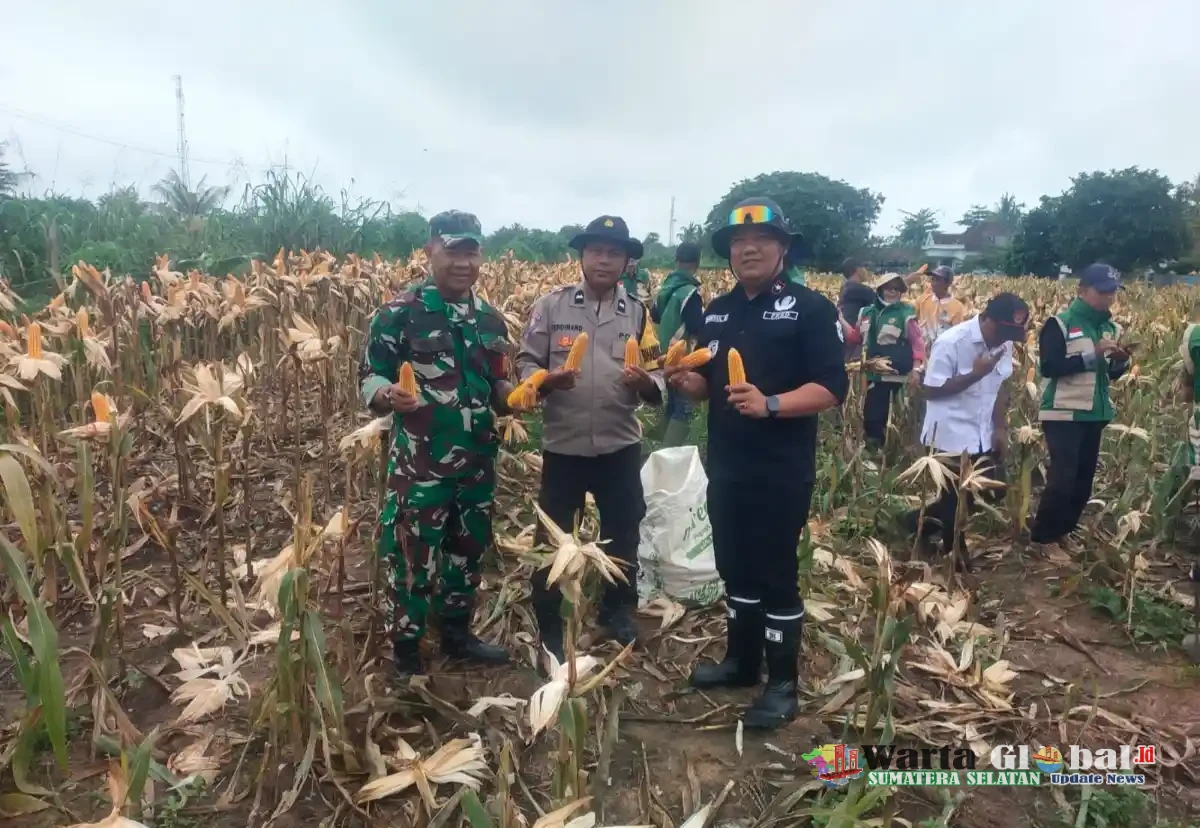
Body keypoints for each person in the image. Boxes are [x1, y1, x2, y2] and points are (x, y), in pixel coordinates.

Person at [665, 197, 848, 730]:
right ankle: (741, 662)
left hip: (780, 466)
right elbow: (708, 385)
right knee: (733, 563)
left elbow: (831, 387)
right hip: (727, 462)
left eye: (761, 241)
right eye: (738, 243)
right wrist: (683, 379)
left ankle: (783, 682)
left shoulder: (810, 309)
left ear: (782, 249)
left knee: (774, 571)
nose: (748, 249)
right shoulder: (719, 310)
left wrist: (771, 404)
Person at [359, 210, 516, 679]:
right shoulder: (398, 313)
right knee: (411, 555)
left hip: (477, 463)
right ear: (430, 251)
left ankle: (457, 634)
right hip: (420, 466)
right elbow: (370, 376)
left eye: (471, 252)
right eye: (452, 251)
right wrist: (388, 394)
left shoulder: (490, 320)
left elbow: (499, 385)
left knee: (467, 550)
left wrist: (525, 395)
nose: (463, 262)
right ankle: (406, 652)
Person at [518, 215, 665, 665]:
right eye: (596, 250)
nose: (604, 259)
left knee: (624, 529)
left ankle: (618, 610)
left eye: (614, 252)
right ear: (581, 256)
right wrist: (545, 381)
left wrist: (645, 382)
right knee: (554, 535)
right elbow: (525, 364)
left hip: (619, 445)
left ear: (626, 262)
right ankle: (549, 617)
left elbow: (659, 373)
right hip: (564, 446)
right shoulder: (551, 306)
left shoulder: (639, 313)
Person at [903, 294, 1030, 563]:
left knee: (991, 491)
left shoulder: (1003, 345)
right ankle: (956, 557)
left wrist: (999, 427)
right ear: (986, 318)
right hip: (949, 433)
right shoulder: (952, 342)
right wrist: (975, 374)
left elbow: (999, 388)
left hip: (982, 431)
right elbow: (930, 391)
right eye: (1003, 330)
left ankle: (916, 522)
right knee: (954, 501)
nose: (1005, 338)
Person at [1030, 263, 1131, 548]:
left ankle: (1064, 531)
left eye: (1113, 292)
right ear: (1083, 291)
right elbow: (1049, 367)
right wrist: (1092, 353)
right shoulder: (1059, 323)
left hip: (1094, 413)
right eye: (1103, 292)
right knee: (1063, 479)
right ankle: (1043, 538)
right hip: (1062, 412)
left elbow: (1110, 373)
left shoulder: (1112, 327)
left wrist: (1121, 360)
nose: (1109, 298)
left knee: (1083, 482)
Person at [853, 273, 925, 449]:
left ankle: (888, 451)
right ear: (880, 290)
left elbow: (918, 344)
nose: (892, 292)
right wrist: (838, 318)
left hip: (894, 376)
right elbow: (855, 338)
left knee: (886, 415)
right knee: (868, 413)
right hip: (867, 374)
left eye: (897, 289)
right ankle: (873, 449)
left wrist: (916, 369)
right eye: (888, 288)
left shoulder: (906, 314)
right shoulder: (866, 312)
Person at [651, 242, 705, 447]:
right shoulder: (690, 292)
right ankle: (669, 449)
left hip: (664, 352)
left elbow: (655, 316)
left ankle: (660, 441)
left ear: (676, 261)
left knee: (673, 400)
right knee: (684, 404)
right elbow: (696, 326)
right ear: (697, 264)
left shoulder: (666, 286)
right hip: (682, 356)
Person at [915, 266, 969, 347]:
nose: (932, 283)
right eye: (932, 279)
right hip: (923, 351)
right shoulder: (923, 300)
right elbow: (913, 318)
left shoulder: (957, 307)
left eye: (937, 280)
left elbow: (958, 333)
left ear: (947, 284)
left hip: (943, 349)